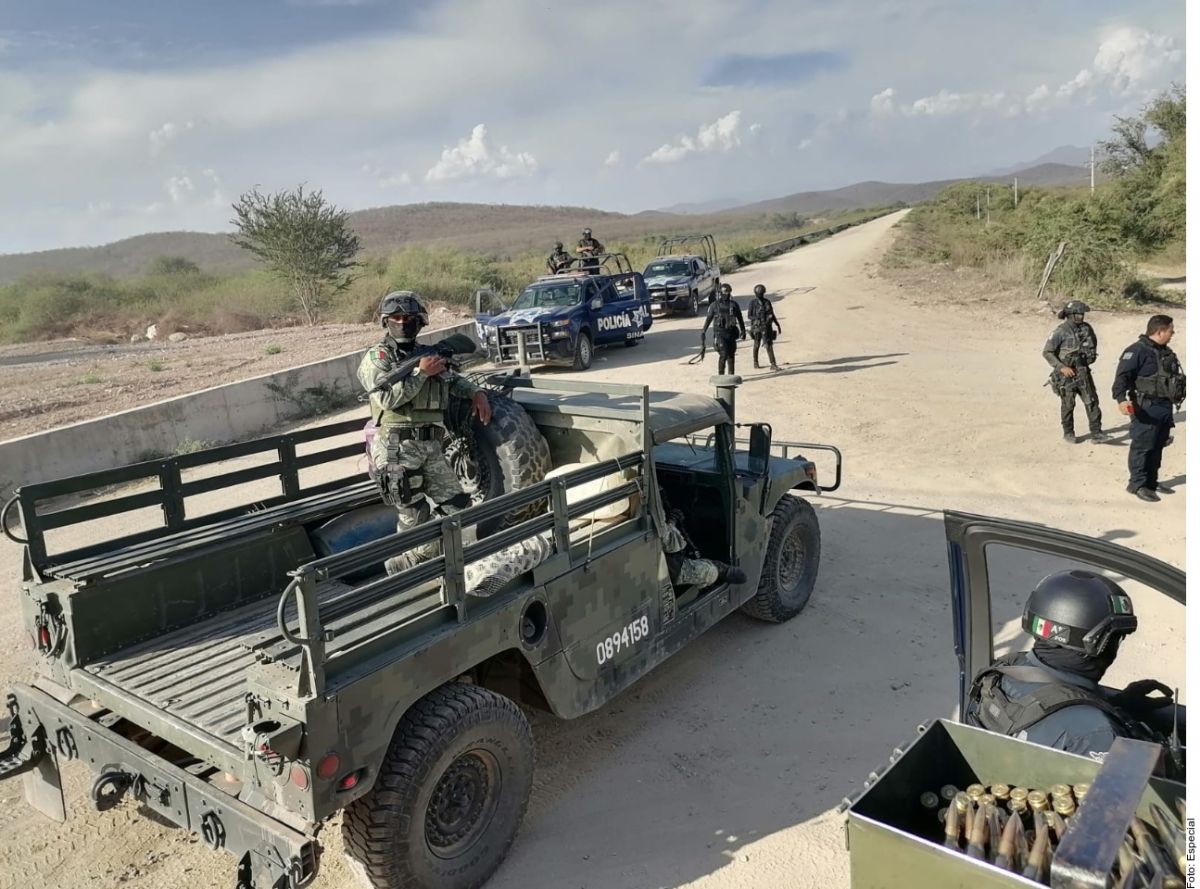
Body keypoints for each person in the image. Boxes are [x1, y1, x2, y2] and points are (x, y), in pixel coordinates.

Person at [965, 570, 1180, 770]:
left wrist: (1118, 705)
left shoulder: (1002, 671)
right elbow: (1120, 805)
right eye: (1116, 638)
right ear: (1098, 643)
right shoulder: (1096, 733)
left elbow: (1045, 716)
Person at [357, 290, 492, 574]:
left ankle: (426, 562)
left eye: (410, 318)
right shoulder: (378, 357)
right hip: (397, 446)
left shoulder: (427, 354)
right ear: (386, 321)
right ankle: (408, 566)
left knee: (457, 508)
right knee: (414, 514)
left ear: (421, 322)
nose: (403, 323)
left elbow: (452, 381)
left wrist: (476, 392)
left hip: (432, 446)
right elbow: (386, 399)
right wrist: (420, 373)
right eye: (396, 317)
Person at [1112, 314, 1186, 503]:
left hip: (1164, 406)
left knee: (1158, 444)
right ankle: (1137, 484)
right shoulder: (1137, 351)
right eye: (1170, 330)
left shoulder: (1164, 351)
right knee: (1143, 446)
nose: (1173, 333)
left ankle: (1151, 482)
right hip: (1146, 407)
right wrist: (1121, 400)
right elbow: (1121, 379)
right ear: (1160, 332)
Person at [1043, 300, 1106, 444]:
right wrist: (1061, 368)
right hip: (1066, 375)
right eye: (1078, 314)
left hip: (1083, 372)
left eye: (1082, 314)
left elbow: (1092, 348)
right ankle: (1068, 432)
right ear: (1070, 315)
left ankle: (1097, 433)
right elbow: (1047, 352)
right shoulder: (1060, 331)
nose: (1081, 316)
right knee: (1068, 404)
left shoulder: (1087, 329)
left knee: (1092, 402)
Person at [661, 501, 746, 590]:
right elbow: (667, 542)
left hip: (662, 562)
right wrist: (672, 523)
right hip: (666, 567)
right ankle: (721, 571)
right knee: (710, 571)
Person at [700, 283, 746, 375]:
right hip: (719, 334)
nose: (726, 294)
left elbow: (740, 318)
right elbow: (708, 319)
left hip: (731, 333)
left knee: (731, 356)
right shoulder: (714, 306)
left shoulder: (734, 305)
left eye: (728, 292)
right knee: (723, 354)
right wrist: (703, 331)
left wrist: (743, 330)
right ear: (720, 293)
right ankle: (721, 375)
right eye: (724, 292)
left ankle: (731, 375)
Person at [747, 284, 782, 371]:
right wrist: (757, 319)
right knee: (757, 344)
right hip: (757, 327)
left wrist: (777, 324)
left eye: (761, 293)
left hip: (766, 326)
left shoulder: (767, 302)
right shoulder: (752, 303)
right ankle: (755, 362)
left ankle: (773, 364)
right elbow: (749, 316)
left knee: (768, 345)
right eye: (759, 294)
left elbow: (771, 314)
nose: (760, 295)